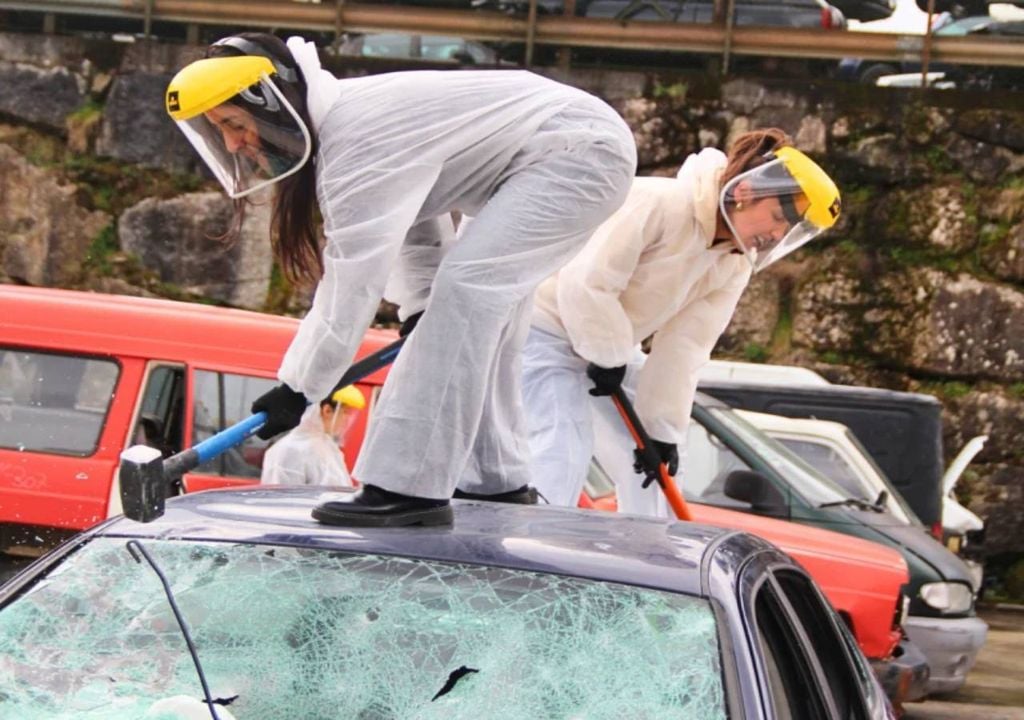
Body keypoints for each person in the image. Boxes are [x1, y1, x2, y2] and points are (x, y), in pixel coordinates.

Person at [165, 33, 636, 526]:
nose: (232, 144)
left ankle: (406, 488)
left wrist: (299, 386)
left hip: (580, 153)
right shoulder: (352, 133)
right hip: (556, 150)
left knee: (466, 294)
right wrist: (418, 307)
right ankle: (495, 479)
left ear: (273, 105)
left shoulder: (355, 142)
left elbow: (351, 285)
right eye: (220, 131)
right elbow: (415, 223)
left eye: (235, 124)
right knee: (474, 314)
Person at [521, 129, 841, 510]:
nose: (776, 233)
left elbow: (686, 346)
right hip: (544, 329)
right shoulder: (659, 202)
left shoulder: (733, 263)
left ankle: (651, 545)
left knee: (656, 463)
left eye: (786, 228)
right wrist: (607, 355)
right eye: (776, 217)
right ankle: (530, 540)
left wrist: (661, 429)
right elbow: (588, 282)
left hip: (609, 345)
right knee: (561, 445)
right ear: (744, 191)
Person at [260, 385, 365, 486]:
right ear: (327, 410)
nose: (347, 420)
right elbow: (282, 496)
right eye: (346, 412)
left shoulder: (327, 447)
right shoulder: (290, 450)